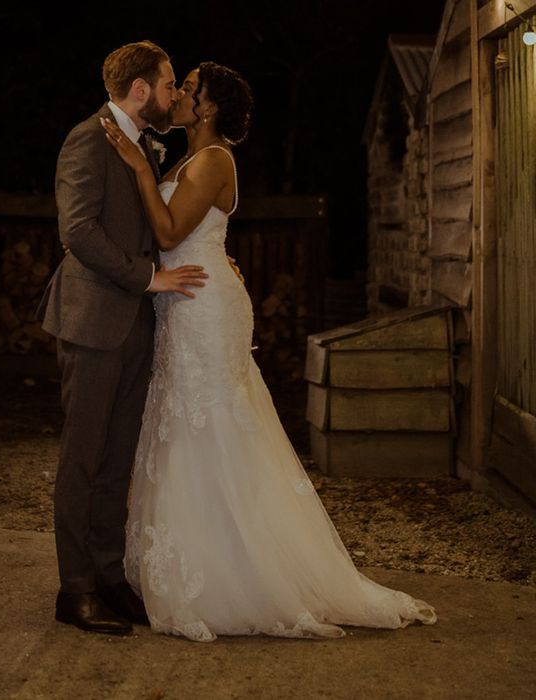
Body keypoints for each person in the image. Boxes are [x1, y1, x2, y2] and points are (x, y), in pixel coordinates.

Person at [102, 61, 437, 642]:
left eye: (189, 89)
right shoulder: (188, 158)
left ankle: (238, 576)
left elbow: (166, 233)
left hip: (202, 309)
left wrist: (136, 169)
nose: (178, 94)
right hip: (184, 301)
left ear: (206, 108)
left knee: (211, 430)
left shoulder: (212, 160)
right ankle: (198, 563)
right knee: (182, 427)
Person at [37, 41, 209, 636]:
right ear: (140, 89)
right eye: (167, 86)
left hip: (138, 323)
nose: (172, 96)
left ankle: (109, 577)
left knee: (118, 461)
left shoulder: (144, 146)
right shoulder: (87, 138)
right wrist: (150, 277)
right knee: (82, 460)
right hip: (92, 323)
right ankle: (74, 589)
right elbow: (78, 231)